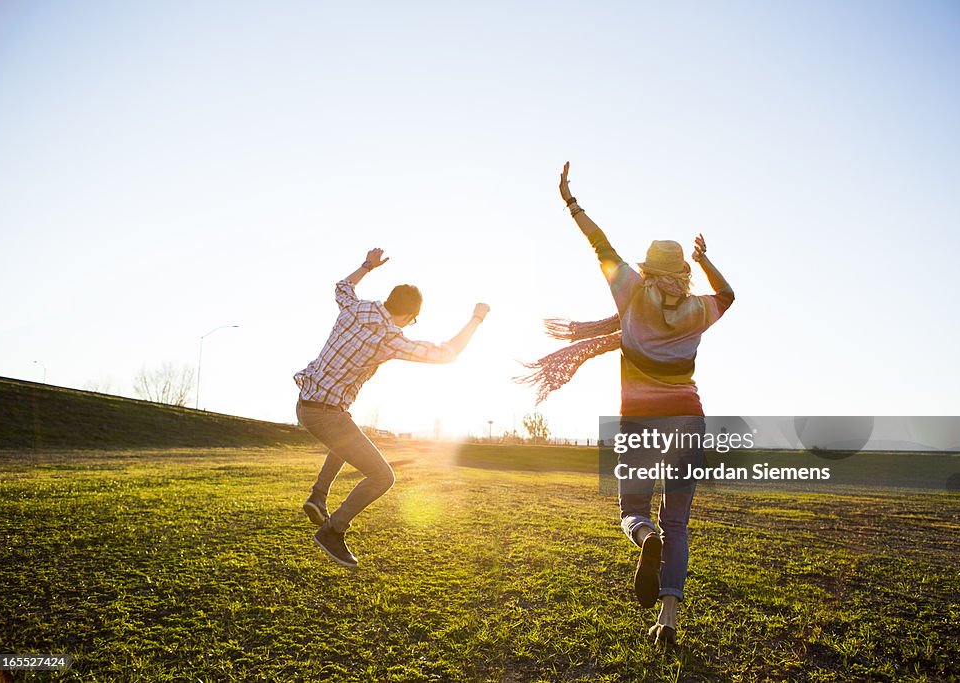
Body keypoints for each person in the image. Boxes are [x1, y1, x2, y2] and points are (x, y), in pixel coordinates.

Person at [519, 163, 734, 648]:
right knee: (678, 523)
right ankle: (669, 620)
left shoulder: (632, 290)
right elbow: (728, 294)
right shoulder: (700, 308)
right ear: (680, 270)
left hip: (640, 421)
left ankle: (643, 538)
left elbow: (600, 245)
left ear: (648, 267)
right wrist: (703, 261)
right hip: (689, 420)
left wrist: (571, 202)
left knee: (632, 508)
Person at [294, 248, 489, 568]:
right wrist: (476, 319)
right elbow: (445, 354)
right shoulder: (389, 337)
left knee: (348, 438)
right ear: (409, 316)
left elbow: (342, 286)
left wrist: (368, 265)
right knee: (382, 476)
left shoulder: (356, 308)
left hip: (307, 404)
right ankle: (332, 530)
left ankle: (318, 495)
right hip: (325, 413)